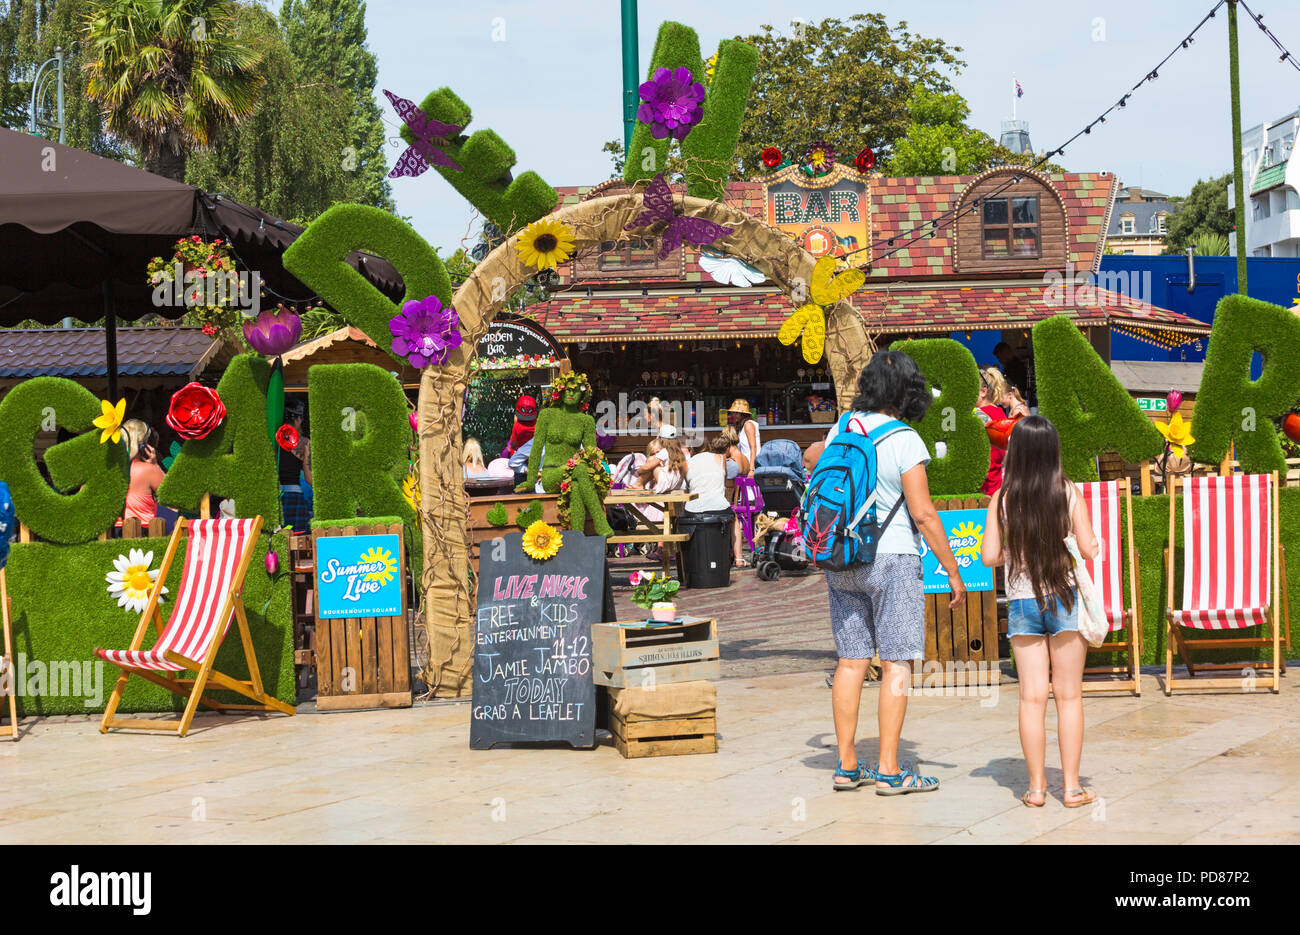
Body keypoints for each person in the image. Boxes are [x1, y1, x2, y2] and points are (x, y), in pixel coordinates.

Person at [815, 351, 965, 795]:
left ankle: (845, 765)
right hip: (893, 557)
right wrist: (953, 570)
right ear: (907, 392)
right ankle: (888, 769)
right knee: (896, 660)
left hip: (842, 557)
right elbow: (923, 513)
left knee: (851, 661)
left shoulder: (842, 427)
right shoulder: (904, 438)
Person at [981, 415, 1098, 809]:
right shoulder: (1067, 491)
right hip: (1064, 598)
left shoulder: (1003, 497)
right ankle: (1071, 788)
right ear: (1052, 451)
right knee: (1069, 697)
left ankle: (1034, 789)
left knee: (1032, 698)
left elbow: (990, 556)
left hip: (1022, 601)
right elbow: (1089, 548)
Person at [726, 400, 761, 567]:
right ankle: (751, 538)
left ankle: (754, 539)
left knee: (752, 505)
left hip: (751, 468)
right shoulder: (742, 426)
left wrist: (752, 467)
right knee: (749, 505)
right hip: (746, 468)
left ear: (743, 414)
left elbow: (754, 447)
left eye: (736, 413)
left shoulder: (748, 425)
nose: (733, 416)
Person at [121, 419, 166, 525]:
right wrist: (156, 466)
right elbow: (173, 494)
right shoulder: (148, 470)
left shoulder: (109, 469)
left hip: (112, 533)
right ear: (143, 446)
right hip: (144, 532)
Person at [279, 399, 313, 533]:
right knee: (298, 538)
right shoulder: (304, 443)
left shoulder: (272, 439)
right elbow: (309, 478)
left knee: (278, 536)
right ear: (298, 419)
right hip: (295, 496)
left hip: (276, 496)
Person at [976, 367, 1009, 495]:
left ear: (983, 392)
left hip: (984, 485)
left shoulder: (979, 416)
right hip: (998, 482)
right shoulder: (1000, 412)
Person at [685, 434, 735, 515]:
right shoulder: (721, 458)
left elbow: (688, 486)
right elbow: (724, 480)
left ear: (692, 448)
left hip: (693, 509)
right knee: (733, 518)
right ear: (708, 445)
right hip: (719, 507)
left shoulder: (687, 464)